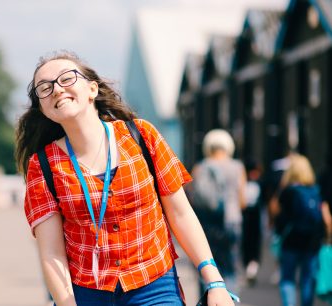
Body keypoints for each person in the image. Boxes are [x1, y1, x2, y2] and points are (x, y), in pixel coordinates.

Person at [15, 51, 236, 306]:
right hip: (87, 293)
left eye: (66, 78)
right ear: (43, 109)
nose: (56, 89)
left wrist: (214, 281)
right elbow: (52, 252)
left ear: (92, 89)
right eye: (45, 87)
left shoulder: (141, 135)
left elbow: (181, 213)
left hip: (154, 286)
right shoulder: (42, 166)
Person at [190, 129, 246, 295]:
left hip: (207, 224)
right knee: (230, 268)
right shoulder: (237, 167)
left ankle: (208, 298)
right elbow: (242, 201)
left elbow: (193, 198)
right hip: (232, 222)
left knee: (207, 264)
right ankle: (228, 300)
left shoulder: (200, 167)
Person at [275, 154, 325, 306]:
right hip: (311, 242)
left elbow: (280, 216)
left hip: (290, 240)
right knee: (308, 279)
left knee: (287, 279)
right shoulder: (315, 191)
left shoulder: (288, 191)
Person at [241, 159, 263, 287]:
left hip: (255, 219)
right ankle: (249, 268)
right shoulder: (243, 183)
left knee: (254, 244)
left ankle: (252, 267)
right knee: (246, 245)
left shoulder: (259, 183)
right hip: (246, 219)